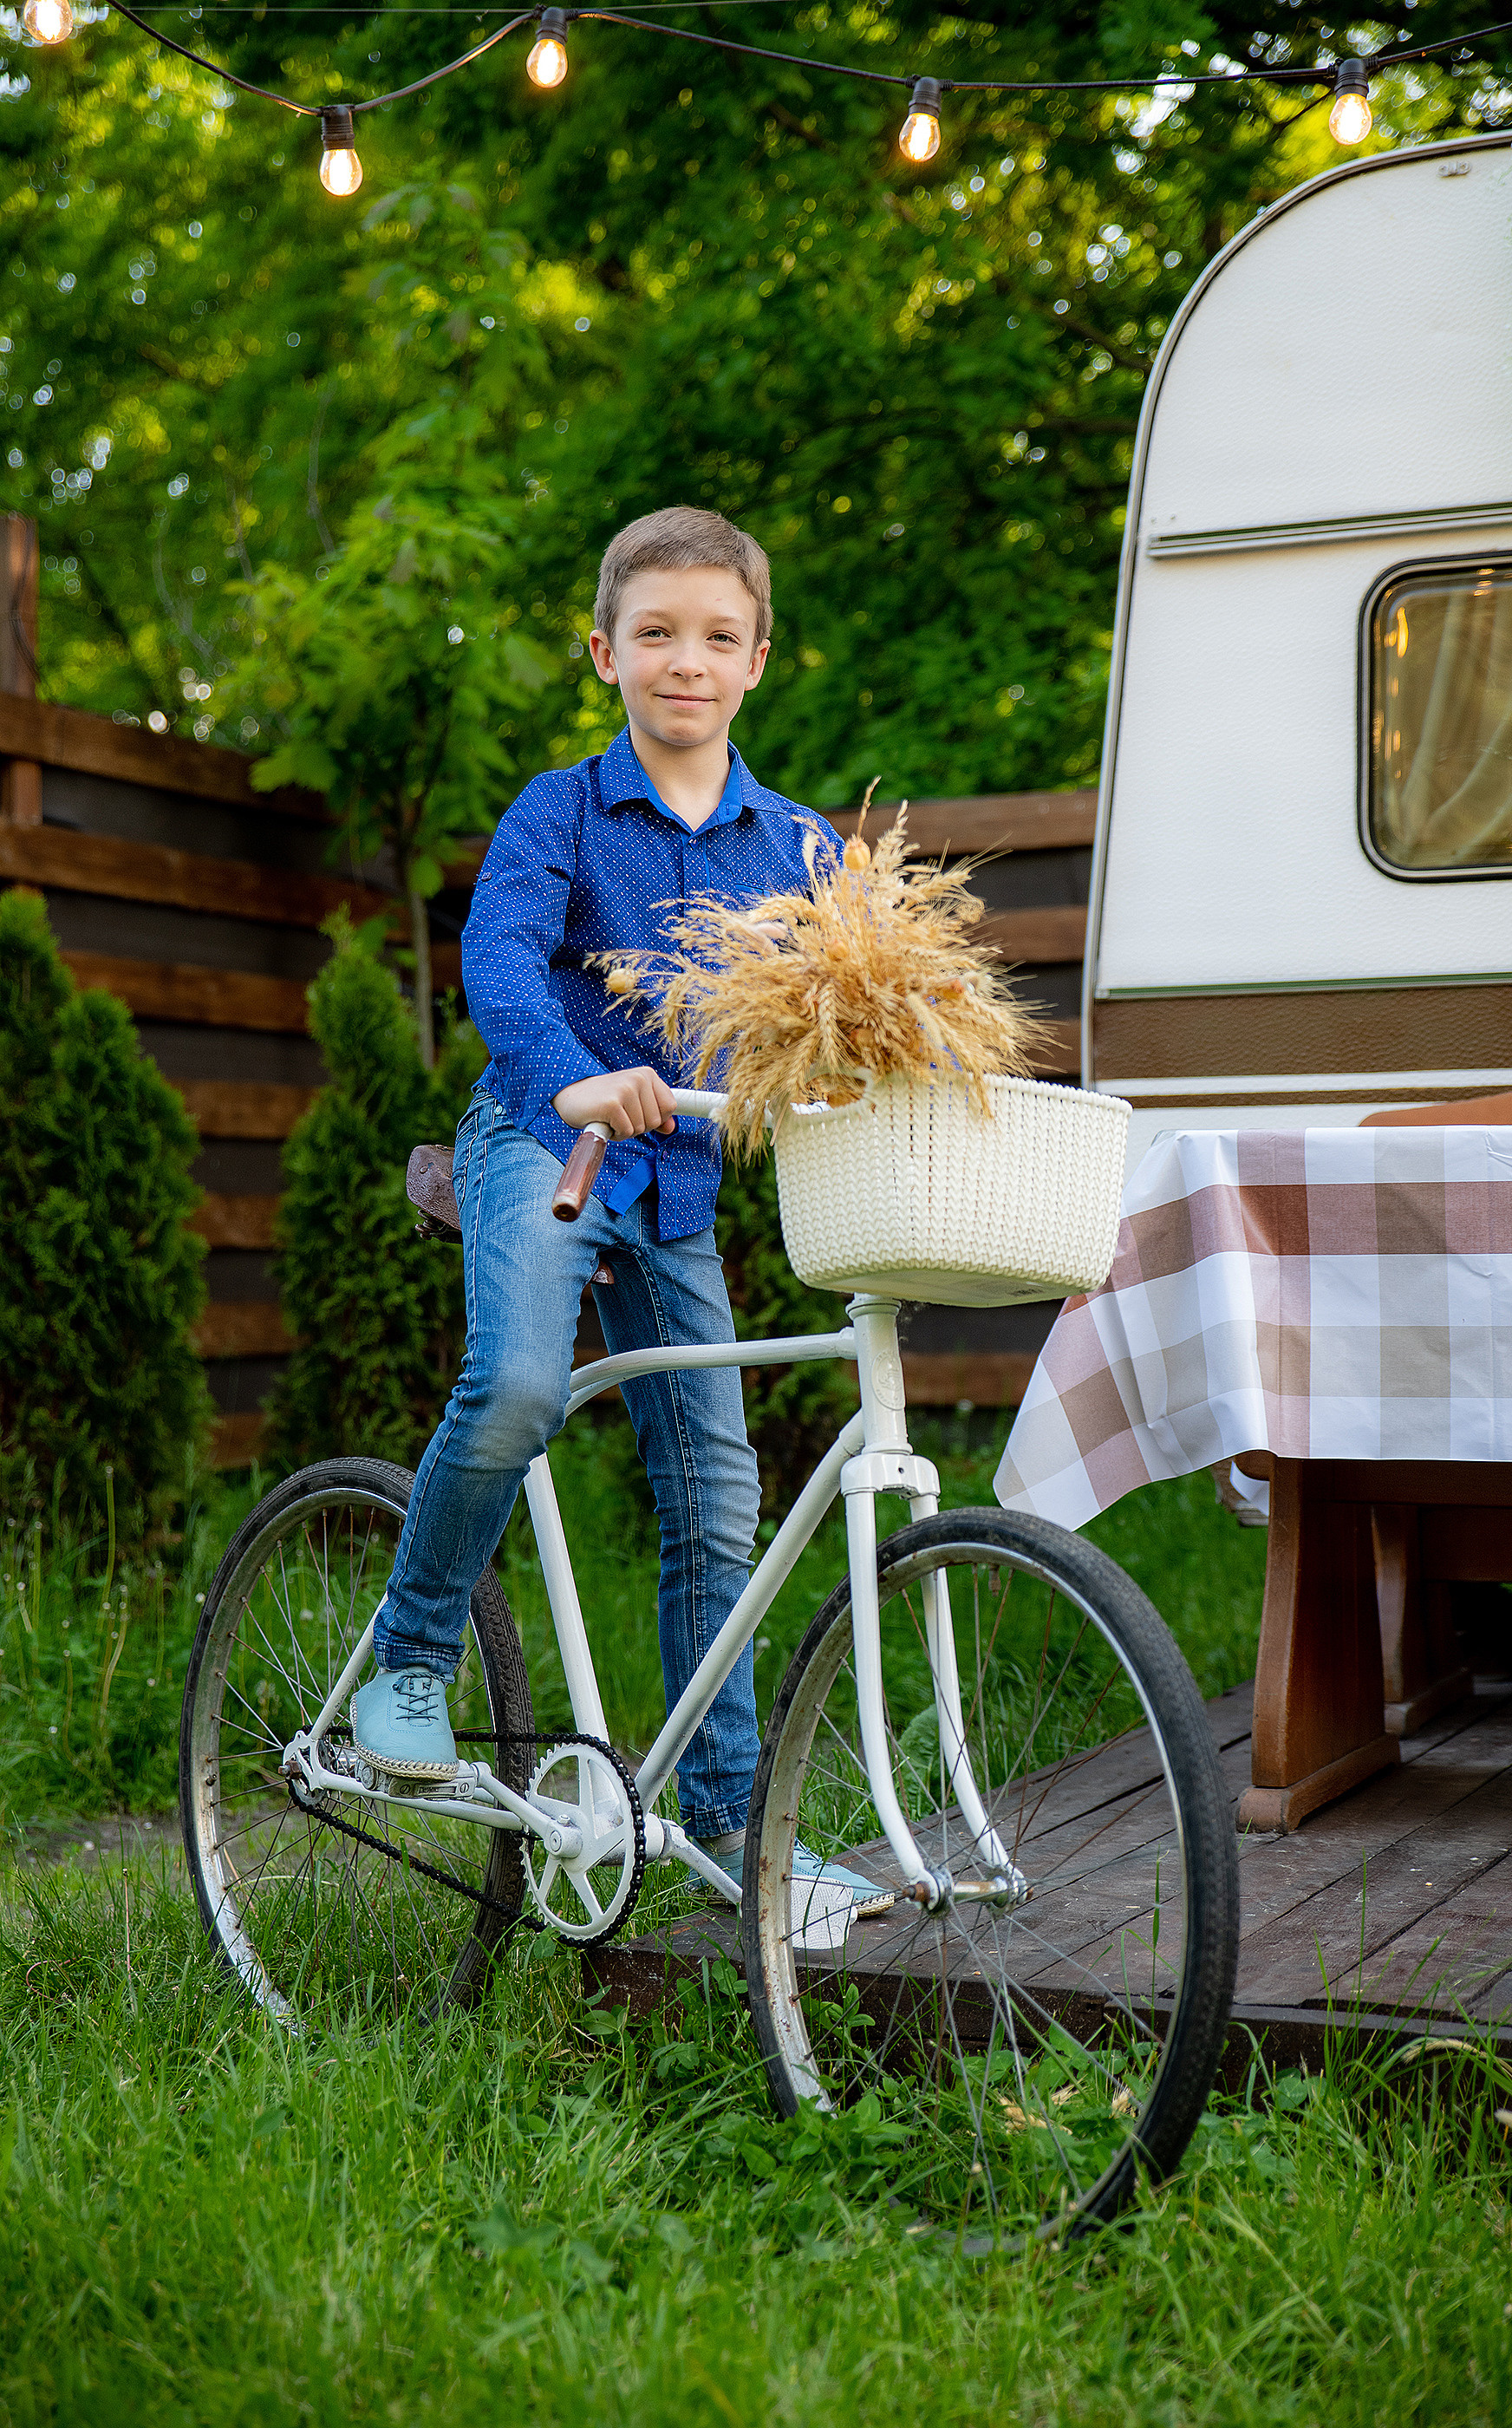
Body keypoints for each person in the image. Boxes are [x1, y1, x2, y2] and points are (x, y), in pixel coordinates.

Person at [349, 506, 866, 1895]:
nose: (684, 660)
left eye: (715, 636)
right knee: (519, 1386)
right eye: (655, 635)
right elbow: (502, 961)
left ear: (760, 659)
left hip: (679, 1181)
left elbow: (857, 1008)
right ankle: (407, 1659)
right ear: (605, 653)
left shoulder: (807, 851)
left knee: (716, 1500)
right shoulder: (561, 810)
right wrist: (575, 1081)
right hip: (544, 1142)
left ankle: (738, 1829)